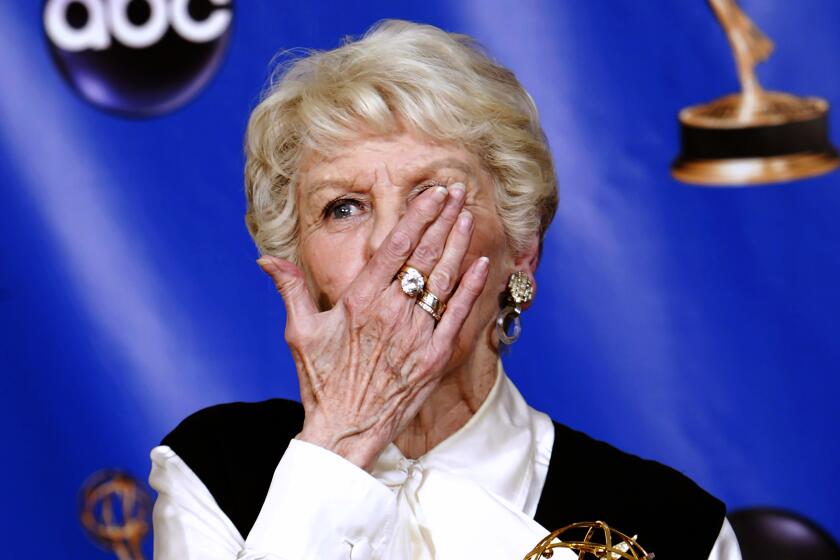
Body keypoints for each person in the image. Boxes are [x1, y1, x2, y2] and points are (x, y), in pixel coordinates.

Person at [149, 20, 742, 560]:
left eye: (433, 197)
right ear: (297, 266)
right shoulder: (214, 469)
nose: (390, 243)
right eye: (344, 207)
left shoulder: (675, 526)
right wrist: (340, 441)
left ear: (522, 251)